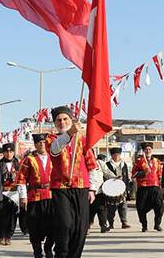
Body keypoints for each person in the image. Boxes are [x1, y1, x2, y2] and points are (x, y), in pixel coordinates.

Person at [46, 106, 100, 258]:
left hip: (81, 188)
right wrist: (69, 134)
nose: (62, 122)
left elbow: (91, 166)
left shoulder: (82, 140)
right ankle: (61, 253)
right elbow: (55, 150)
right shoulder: (51, 139)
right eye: (59, 120)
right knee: (65, 224)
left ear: (71, 120)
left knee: (80, 228)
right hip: (60, 188)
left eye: (65, 119)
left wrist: (92, 189)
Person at [16, 133, 54, 258]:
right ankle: (37, 251)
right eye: (39, 143)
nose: (42, 144)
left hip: (51, 196)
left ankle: (48, 248)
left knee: (52, 225)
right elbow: (21, 178)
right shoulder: (29, 159)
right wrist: (23, 196)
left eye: (44, 142)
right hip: (34, 196)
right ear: (35, 144)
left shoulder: (53, 157)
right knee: (34, 225)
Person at [131, 142, 164, 232]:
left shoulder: (157, 161)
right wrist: (143, 173)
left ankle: (157, 224)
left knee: (159, 206)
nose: (148, 151)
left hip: (155, 186)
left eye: (149, 149)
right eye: (146, 149)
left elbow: (160, 174)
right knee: (141, 207)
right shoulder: (139, 161)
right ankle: (144, 225)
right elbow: (133, 175)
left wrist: (162, 185)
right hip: (143, 187)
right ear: (143, 151)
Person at [103, 147, 131, 230]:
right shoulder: (107, 165)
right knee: (111, 208)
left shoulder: (123, 164)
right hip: (112, 189)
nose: (116, 156)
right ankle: (111, 223)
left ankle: (124, 222)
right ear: (112, 156)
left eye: (118, 155)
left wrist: (127, 188)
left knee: (123, 206)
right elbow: (105, 175)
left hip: (122, 188)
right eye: (115, 155)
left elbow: (126, 177)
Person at [89, 154, 109, 233]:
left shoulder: (100, 163)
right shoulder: (83, 162)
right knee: (89, 210)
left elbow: (107, 172)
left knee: (102, 209)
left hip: (100, 190)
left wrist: (115, 177)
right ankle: (87, 226)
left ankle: (103, 226)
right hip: (88, 191)